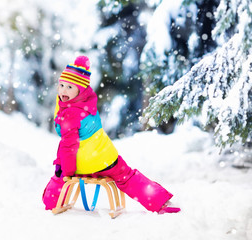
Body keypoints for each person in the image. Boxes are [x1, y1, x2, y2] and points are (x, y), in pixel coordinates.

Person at [42, 55, 180, 214]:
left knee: (61, 173)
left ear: (80, 90)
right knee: (127, 176)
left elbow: (69, 146)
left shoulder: (69, 113)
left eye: (70, 87)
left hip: (82, 162)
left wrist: (67, 173)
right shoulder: (87, 102)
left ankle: (51, 201)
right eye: (61, 85)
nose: (63, 90)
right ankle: (158, 201)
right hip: (104, 158)